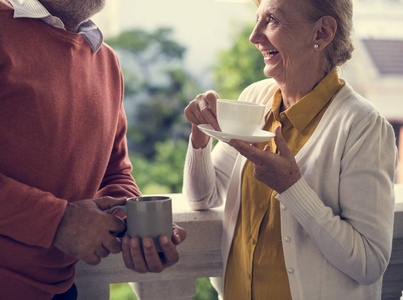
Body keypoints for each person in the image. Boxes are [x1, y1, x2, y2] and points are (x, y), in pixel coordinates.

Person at [183, 0, 398, 299]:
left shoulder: (363, 127)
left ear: (322, 33)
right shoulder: (254, 97)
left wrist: (291, 188)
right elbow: (202, 197)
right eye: (257, 19)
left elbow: (369, 263)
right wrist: (200, 136)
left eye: (271, 20)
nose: (254, 36)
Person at [0, 0, 186, 299]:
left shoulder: (106, 60)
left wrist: (134, 221)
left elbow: (116, 172)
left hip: (60, 289)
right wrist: (58, 221)